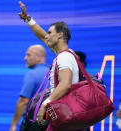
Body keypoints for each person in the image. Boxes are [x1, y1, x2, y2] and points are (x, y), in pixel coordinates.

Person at [18, 1, 86, 131]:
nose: (47, 35)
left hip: (64, 118)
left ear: (60, 34)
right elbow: (43, 37)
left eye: (50, 32)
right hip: (64, 116)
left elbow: (65, 84)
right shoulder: (67, 54)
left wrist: (45, 103)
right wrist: (28, 19)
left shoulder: (64, 57)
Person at [10, 45, 49, 131]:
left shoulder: (31, 74)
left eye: (28, 55)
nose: (25, 58)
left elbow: (23, 102)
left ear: (39, 57)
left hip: (34, 124)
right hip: (52, 123)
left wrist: (13, 125)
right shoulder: (54, 73)